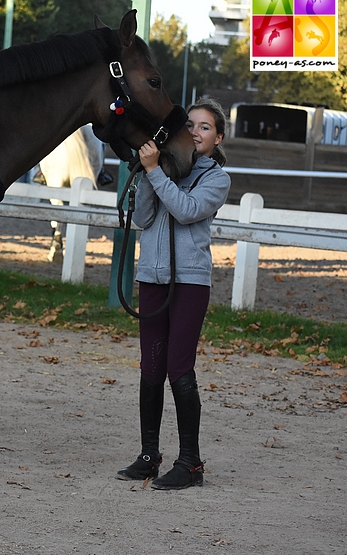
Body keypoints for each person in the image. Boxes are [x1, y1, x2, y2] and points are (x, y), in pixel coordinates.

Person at [116, 97, 232, 490]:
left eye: (204, 127)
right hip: (152, 277)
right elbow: (145, 218)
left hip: (189, 282)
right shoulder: (166, 166)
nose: (196, 132)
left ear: (217, 138)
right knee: (151, 368)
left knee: (178, 368)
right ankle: (150, 455)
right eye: (191, 126)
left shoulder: (216, 178)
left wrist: (156, 173)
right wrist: (153, 171)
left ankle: (190, 463)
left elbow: (185, 210)